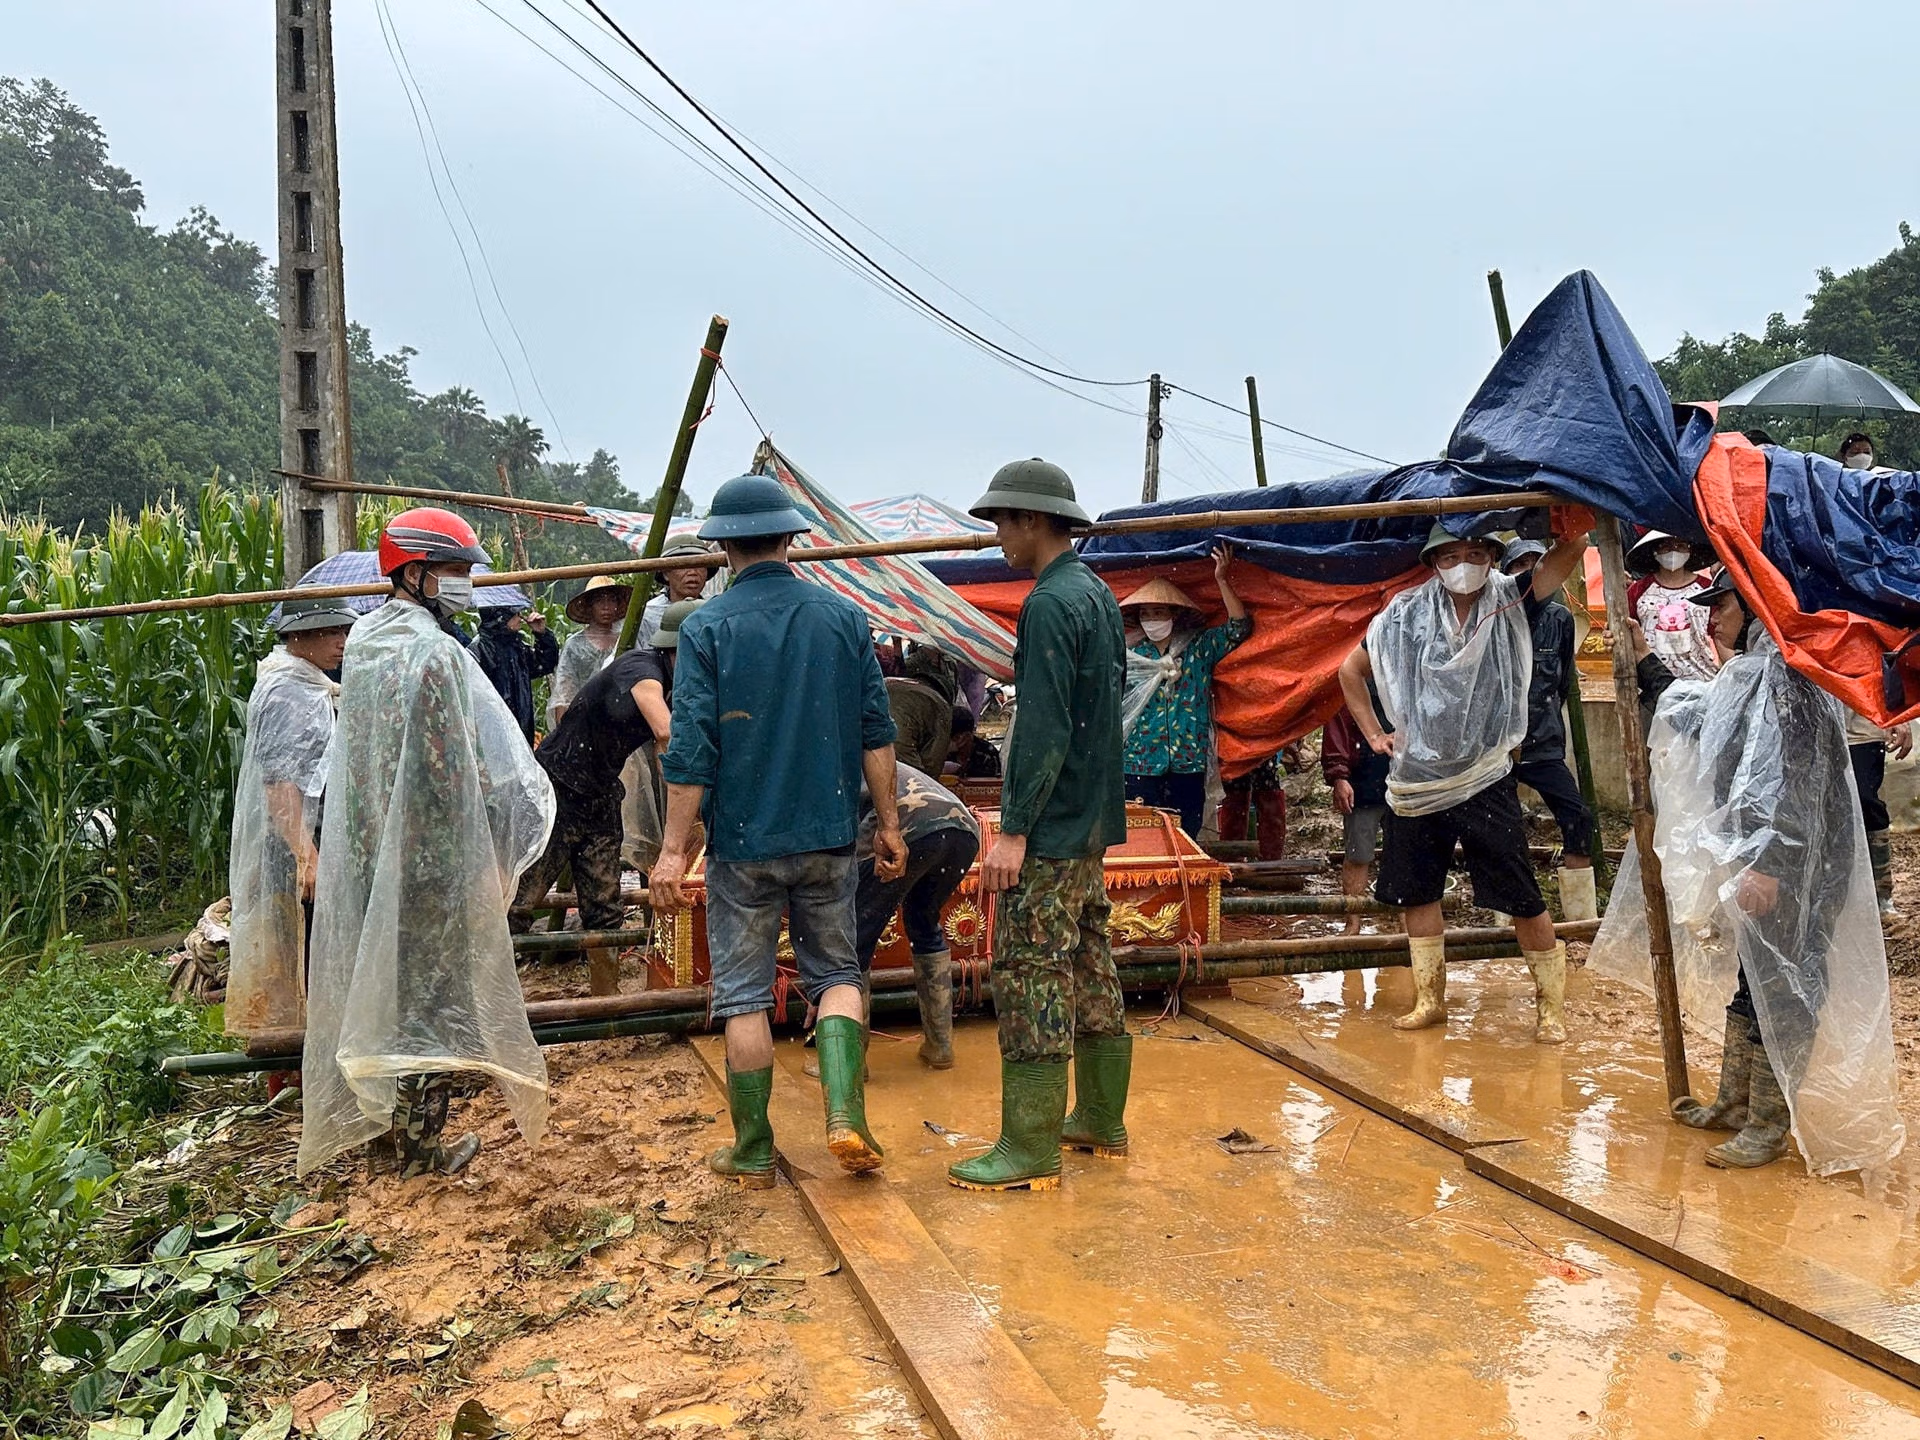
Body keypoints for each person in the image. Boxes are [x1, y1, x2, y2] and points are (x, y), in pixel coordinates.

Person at [652, 474, 907, 1187]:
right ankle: (845, 1115)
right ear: (790, 538)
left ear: (724, 546)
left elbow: (691, 750)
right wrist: (889, 825)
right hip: (829, 836)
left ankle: (754, 1148)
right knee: (838, 975)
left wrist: (671, 851)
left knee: (744, 994)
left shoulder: (705, 628)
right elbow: (877, 732)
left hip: (743, 844)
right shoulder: (844, 619)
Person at [299, 509, 556, 1179]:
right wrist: (482, 848)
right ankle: (421, 1148)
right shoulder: (437, 653)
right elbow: (460, 765)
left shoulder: (365, 643)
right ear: (415, 572)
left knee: (380, 985)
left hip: (368, 849)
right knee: (429, 999)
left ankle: (381, 1126)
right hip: (429, 859)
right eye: (455, 569)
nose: (465, 581)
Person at [1631, 577, 1905, 1172]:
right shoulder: (1759, 670)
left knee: (1787, 983)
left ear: (1757, 606)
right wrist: (1647, 664)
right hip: (1769, 858)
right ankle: (1736, 1103)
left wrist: (1770, 866)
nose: (1713, 619)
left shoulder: (1787, 677)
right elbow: (1704, 719)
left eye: (1722, 605)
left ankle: (1767, 1125)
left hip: (1797, 862)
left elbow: (1797, 781)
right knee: (1756, 977)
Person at [1336, 520, 1589, 1044]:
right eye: (1450, 556)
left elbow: (1572, 550)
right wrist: (1374, 733)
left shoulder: (1512, 599)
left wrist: (1560, 515)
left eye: (1475, 553)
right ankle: (1430, 1000)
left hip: (1484, 776)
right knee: (1418, 893)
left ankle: (1550, 1009)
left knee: (1522, 895)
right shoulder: (1405, 615)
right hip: (1417, 781)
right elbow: (1349, 670)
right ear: (1433, 563)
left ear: (1493, 557)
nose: (1463, 565)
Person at [953, 458, 1129, 1193]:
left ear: (1032, 520)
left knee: (1030, 971)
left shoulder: (1051, 603)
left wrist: (1015, 828)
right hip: (1089, 817)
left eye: (1002, 522)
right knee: (1087, 959)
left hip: (1052, 826)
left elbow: (1045, 725)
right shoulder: (1096, 594)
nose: (997, 536)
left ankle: (1028, 1146)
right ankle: (1099, 1118)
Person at [513, 599, 699, 995]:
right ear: (678, 649)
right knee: (520, 900)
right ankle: (496, 1001)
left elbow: (664, 755)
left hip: (599, 793)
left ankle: (605, 998)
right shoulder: (642, 668)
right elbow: (665, 733)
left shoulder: (677, 684)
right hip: (558, 789)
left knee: (604, 905)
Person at [226, 597, 357, 1036]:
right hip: (294, 846)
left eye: (343, 631)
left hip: (312, 839)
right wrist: (307, 856)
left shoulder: (311, 685)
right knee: (303, 956)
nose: (341, 641)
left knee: (314, 955)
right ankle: (300, 1056)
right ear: (299, 634)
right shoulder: (288, 692)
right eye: (331, 631)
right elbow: (280, 784)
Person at [854, 764, 982, 1069]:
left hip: (911, 829)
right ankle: (940, 1046)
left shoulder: (834, 763)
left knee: (856, 938)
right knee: (923, 921)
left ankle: (850, 1063)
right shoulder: (880, 757)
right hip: (962, 829)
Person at [1119, 544, 1250, 837]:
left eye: (1159, 612)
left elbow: (1238, 629)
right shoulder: (1130, 658)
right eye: (1146, 614)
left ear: (1174, 615)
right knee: (1143, 839)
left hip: (1187, 762)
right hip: (1138, 762)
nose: (1152, 619)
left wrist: (1221, 579)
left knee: (1186, 836)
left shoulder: (1198, 649)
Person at [1501, 537, 1597, 921]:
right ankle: (1508, 912)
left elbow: (1562, 680)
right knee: (1500, 827)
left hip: (1544, 741)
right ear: (1505, 574)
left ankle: (1579, 915)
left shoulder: (1560, 619)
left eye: (1536, 563)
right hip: (1497, 747)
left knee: (1578, 816)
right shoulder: (1495, 616)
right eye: (1519, 565)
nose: (1529, 572)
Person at [1321, 697, 1392, 938]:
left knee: (1403, 854)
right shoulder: (1350, 682)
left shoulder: (1407, 680)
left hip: (1403, 781)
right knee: (1358, 855)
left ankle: (1405, 922)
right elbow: (1337, 727)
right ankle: (1353, 922)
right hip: (1362, 781)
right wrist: (1339, 776)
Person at [1844, 706, 1913, 919]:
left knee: (1865, 800)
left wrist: (1898, 715)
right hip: (1811, 721)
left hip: (1861, 722)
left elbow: (1889, 682)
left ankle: (1881, 897)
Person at [1626, 531, 1717, 683]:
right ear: (1655, 551)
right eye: (1666, 546)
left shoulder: (1706, 589)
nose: (1673, 550)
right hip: (1653, 680)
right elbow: (1627, 631)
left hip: (1701, 679)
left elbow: (1721, 637)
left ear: (1690, 550)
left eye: (1680, 546)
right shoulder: (1638, 590)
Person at [471, 601, 558, 746]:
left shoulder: (517, 647)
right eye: (515, 615)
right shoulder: (480, 649)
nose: (521, 619)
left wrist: (542, 634)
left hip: (521, 731)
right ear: (501, 618)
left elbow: (544, 664)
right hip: (491, 736)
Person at [548, 575, 631, 728]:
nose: (606, 606)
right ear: (589, 606)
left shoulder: (625, 641)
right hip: (584, 719)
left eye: (611, 600)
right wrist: (563, 730)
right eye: (599, 601)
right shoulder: (575, 645)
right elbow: (564, 690)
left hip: (621, 719)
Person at [887, 645, 959, 777]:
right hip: (898, 742)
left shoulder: (900, 684)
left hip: (865, 735)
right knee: (911, 781)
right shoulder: (940, 704)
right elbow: (933, 761)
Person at [636, 535, 718, 648]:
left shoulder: (715, 609)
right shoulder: (647, 615)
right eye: (684, 566)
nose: (693, 572)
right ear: (666, 573)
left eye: (699, 565)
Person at [1216, 750, 1290, 861]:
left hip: (1259, 749)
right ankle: (1232, 859)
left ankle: (1271, 860)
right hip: (1237, 752)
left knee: (1268, 799)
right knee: (1235, 802)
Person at [947, 704, 1003, 779]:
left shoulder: (987, 754)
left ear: (966, 736)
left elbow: (994, 781)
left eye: (954, 737)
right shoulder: (943, 753)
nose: (948, 741)